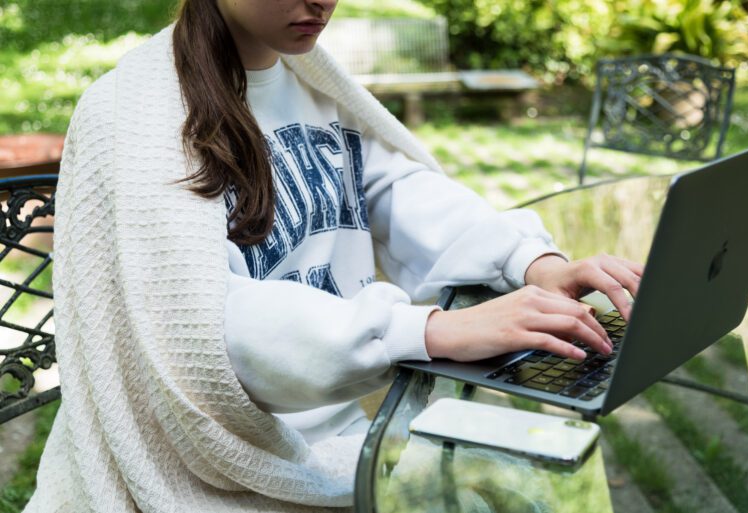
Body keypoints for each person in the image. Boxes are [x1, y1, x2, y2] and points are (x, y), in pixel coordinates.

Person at [26, 1, 642, 512]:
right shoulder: (132, 115)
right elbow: (203, 329)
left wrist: (533, 263)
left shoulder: (308, 79)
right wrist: (428, 330)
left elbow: (394, 190)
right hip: (215, 461)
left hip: (342, 435)